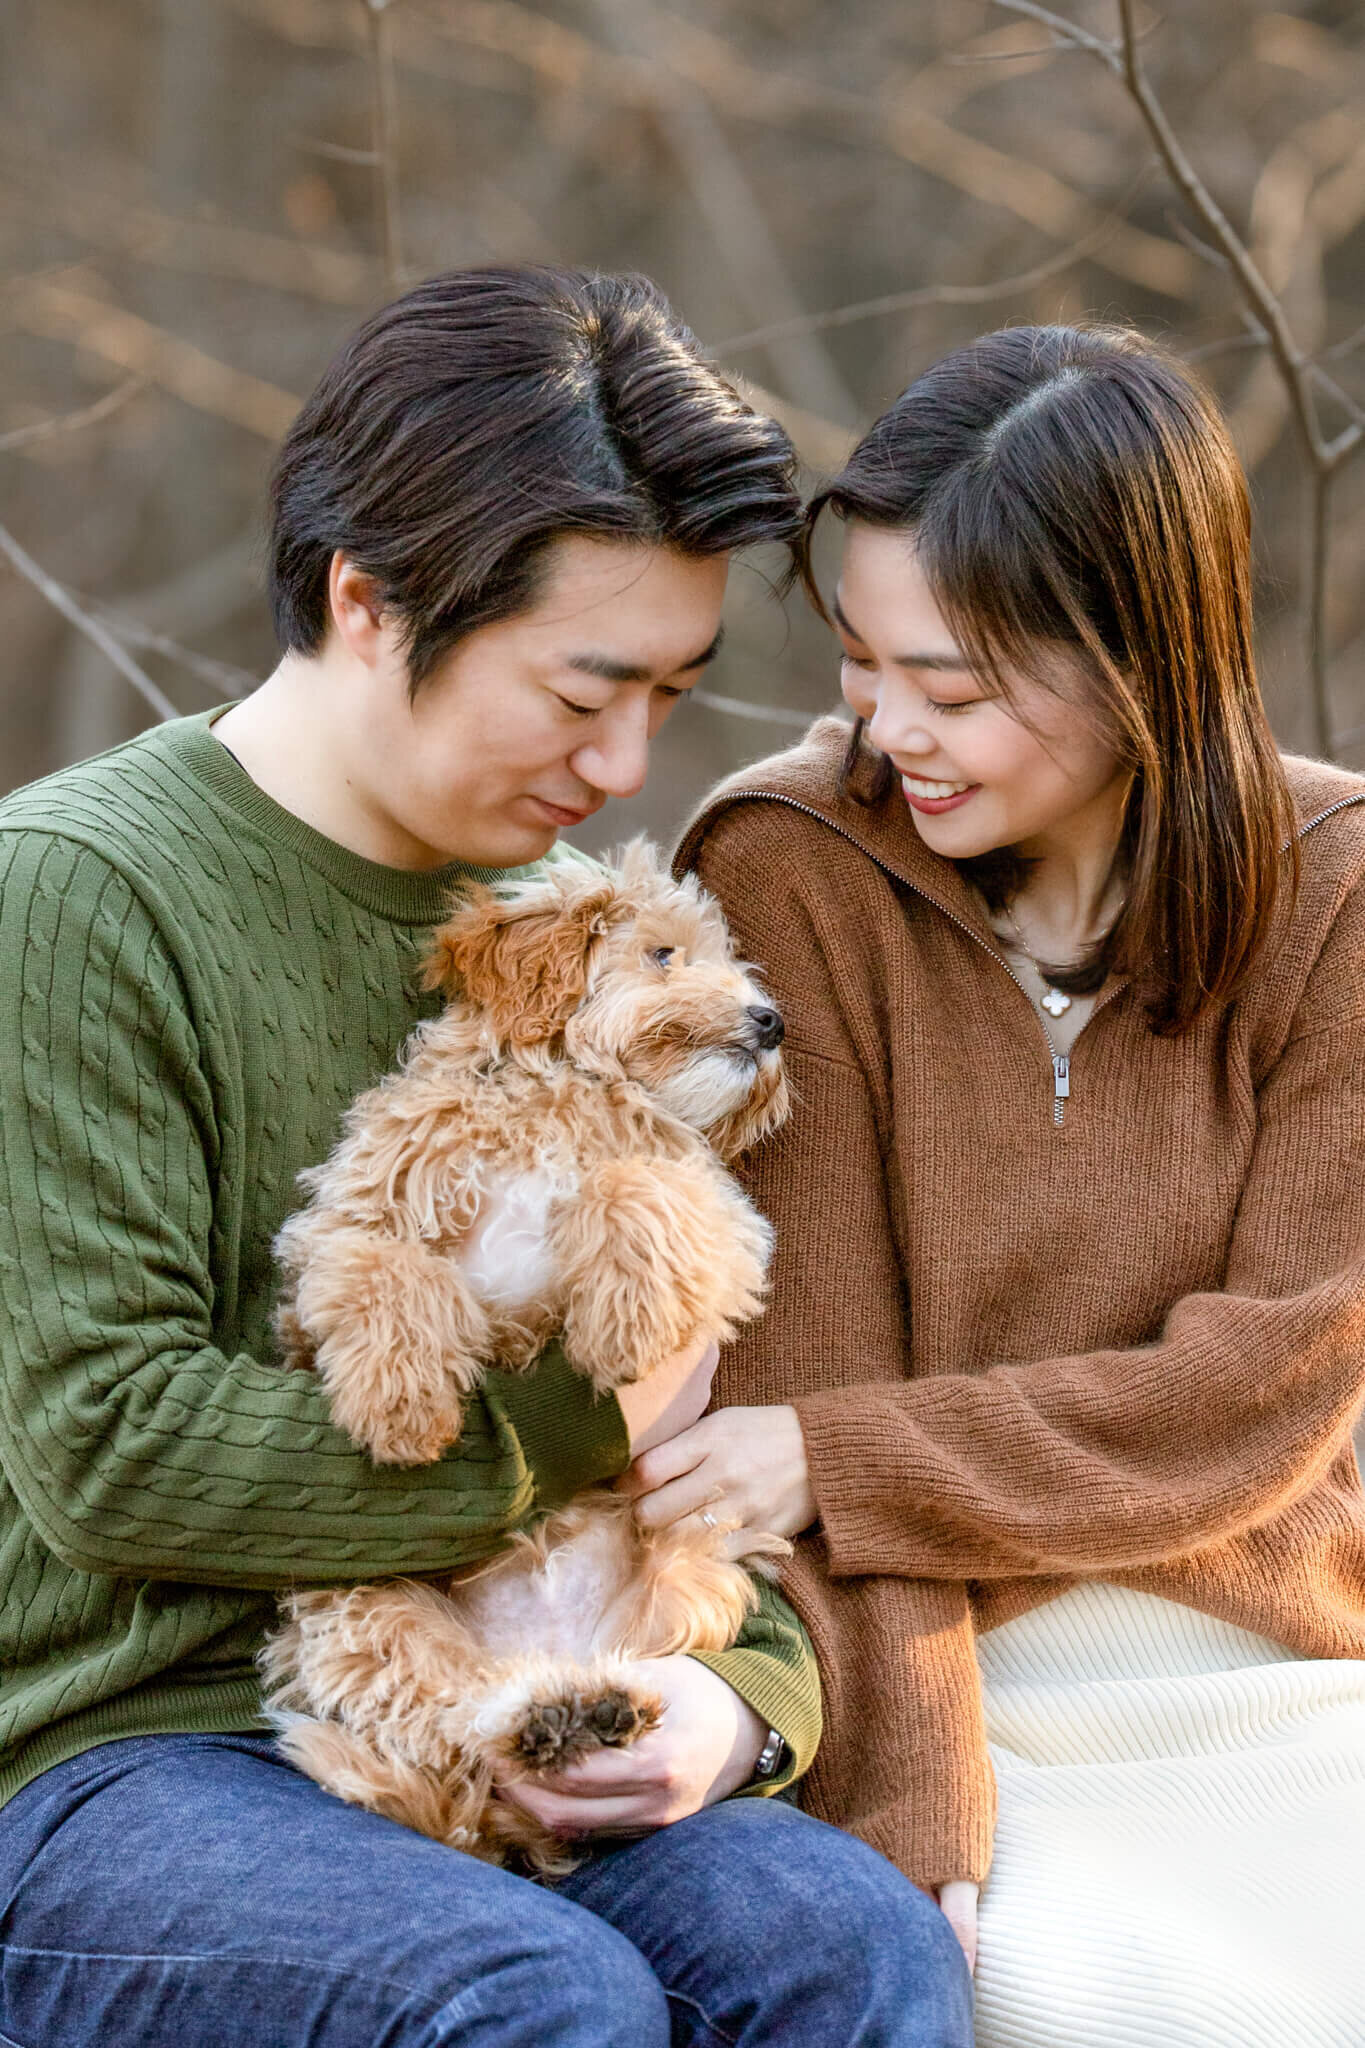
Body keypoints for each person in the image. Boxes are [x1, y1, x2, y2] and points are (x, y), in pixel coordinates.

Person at [0, 267, 973, 2048]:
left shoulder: (599, 942)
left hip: (544, 1679)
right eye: (582, 688)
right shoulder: (72, 896)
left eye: (672, 696)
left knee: (850, 1947)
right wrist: (584, 1435)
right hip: (126, 1755)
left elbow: (714, 1406)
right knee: (525, 1995)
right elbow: (108, 1448)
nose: (621, 764)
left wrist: (732, 1704)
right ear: (369, 602)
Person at [652, 323, 1365, 2044]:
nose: (888, 730)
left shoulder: (1338, 891)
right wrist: (915, 1809)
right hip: (941, 1681)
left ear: (1142, 660)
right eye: (859, 663)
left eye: (954, 690)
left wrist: (850, 1455)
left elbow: (1249, 1399)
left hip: (1278, 1673)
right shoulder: (787, 866)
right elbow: (796, 1428)